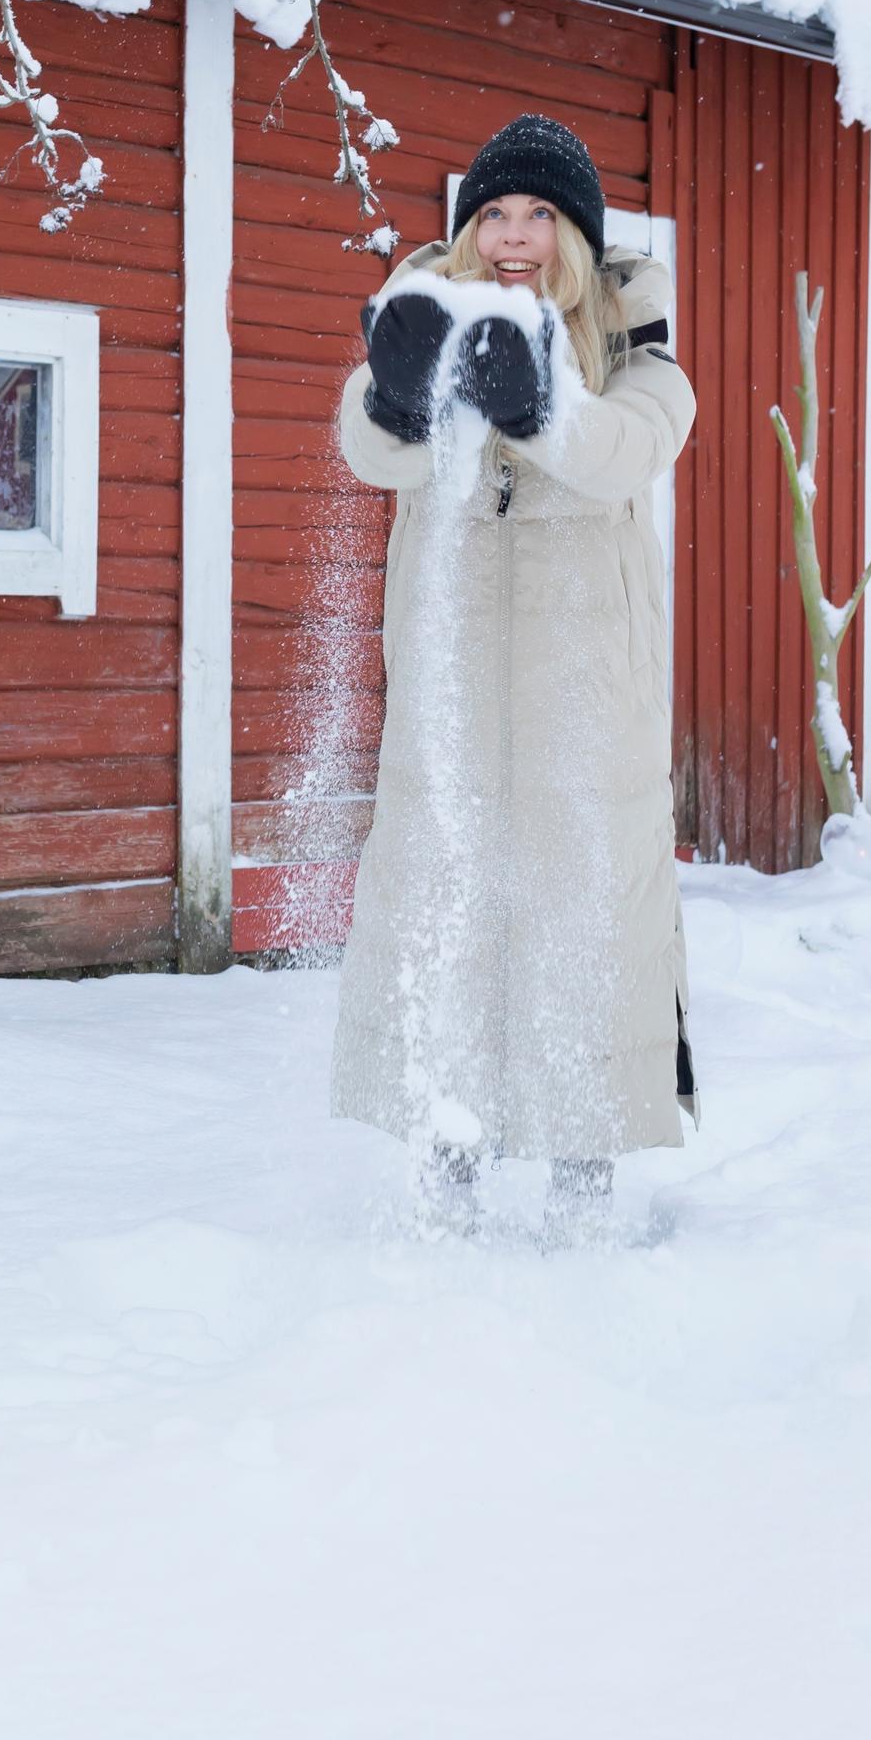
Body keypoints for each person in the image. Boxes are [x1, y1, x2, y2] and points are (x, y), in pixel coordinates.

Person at [330, 111, 699, 1244]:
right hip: (452, 718)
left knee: (581, 927)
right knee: (453, 921)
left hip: (589, 721)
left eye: (541, 214)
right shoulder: (422, 328)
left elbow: (615, 453)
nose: (515, 235)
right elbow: (367, 446)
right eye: (493, 212)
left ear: (577, 236)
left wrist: (537, 399)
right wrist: (399, 393)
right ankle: (448, 1189)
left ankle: (580, 1201)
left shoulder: (641, 363)